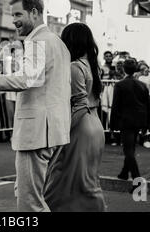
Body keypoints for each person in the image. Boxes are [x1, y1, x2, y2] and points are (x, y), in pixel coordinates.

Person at [0, 0, 71, 211]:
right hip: (54, 130)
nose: (13, 20)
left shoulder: (36, 40)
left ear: (34, 12)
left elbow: (25, 79)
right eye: (11, 14)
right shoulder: (57, 42)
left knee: (29, 203)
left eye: (18, 14)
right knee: (40, 198)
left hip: (36, 133)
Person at [44, 23, 106, 212]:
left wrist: (60, 133)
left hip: (80, 126)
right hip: (95, 125)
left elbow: (79, 104)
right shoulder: (93, 65)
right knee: (86, 178)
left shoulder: (74, 66)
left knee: (63, 176)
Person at [110, 58, 150, 185]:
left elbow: (115, 106)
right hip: (139, 121)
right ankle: (123, 173)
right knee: (131, 148)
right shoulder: (142, 85)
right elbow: (148, 106)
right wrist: (147, 125)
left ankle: (137, 179)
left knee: (128, 150)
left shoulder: (120, 85)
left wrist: (112, 124)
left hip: (125, 120)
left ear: (123, 69)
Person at [136, 62, 150, 148]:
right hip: (143, 99)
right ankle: (144, 138)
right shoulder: (140, 77)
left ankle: (149, 136)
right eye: (142, 69)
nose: (145, 70)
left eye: (146, 68)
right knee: (143, 118)